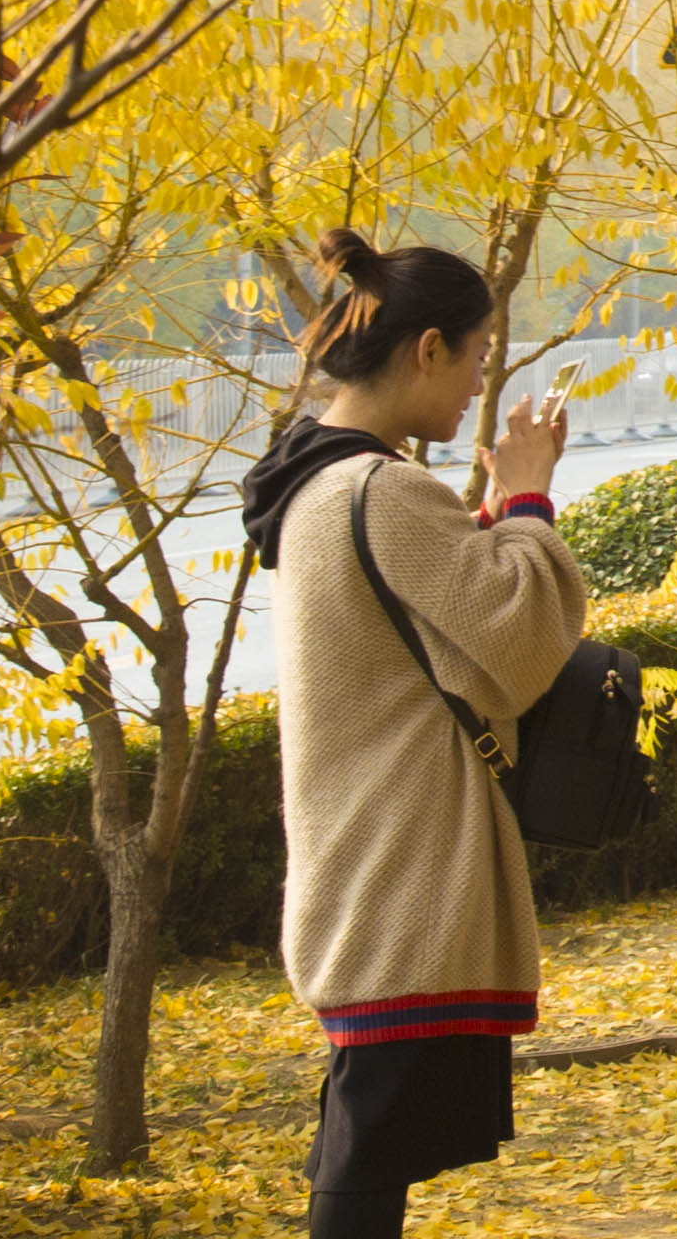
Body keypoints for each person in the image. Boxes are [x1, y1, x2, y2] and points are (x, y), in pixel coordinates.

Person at [241, 229, 585, 1239]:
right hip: (398, 871)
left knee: (369, 1133)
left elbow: (443, 635)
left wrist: (487, 519)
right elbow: (520, 645)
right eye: (477, 356)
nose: (481, 384)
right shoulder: (381, 489)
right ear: (426, 348)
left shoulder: (317, 482)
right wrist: (526, 499)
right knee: (366, 1142)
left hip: (362, 859)